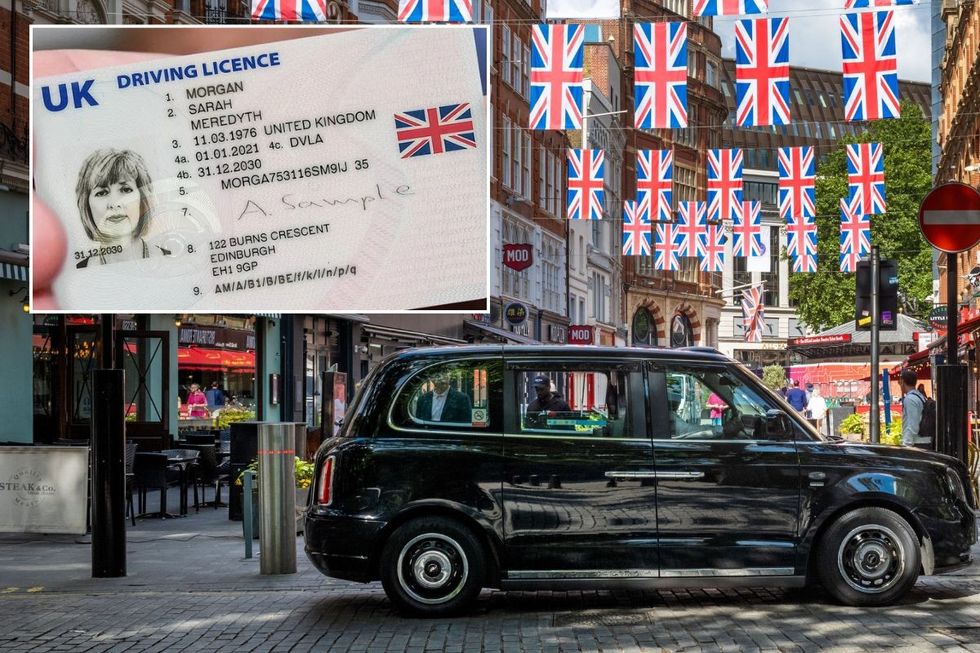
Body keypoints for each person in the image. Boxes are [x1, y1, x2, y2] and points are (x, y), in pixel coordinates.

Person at [74, 148, 158, 267]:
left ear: (142, 199)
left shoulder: (173, 261)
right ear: (86, 205)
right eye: (102, 193)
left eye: (125, 190)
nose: (114, 203)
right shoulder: (78, 272)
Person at [901, 370, 931, 448]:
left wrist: (906, 444)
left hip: (917, 442)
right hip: (925, 440)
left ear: (902, 382)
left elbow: (912, 424)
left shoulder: (910, 399)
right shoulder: (920, 396)